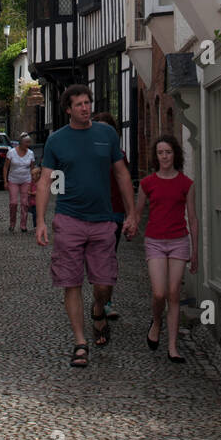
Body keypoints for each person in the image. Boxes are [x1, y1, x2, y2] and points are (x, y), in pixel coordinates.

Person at [35, 85, 137, 368]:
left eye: (88, 102)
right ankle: (80, 342)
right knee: (71, 282)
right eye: (79, 104)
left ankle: (98, 307)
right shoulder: (57, 141)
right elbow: (45, 181)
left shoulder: (107, 135)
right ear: (68, 109)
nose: (85, 107)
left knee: (104, 283)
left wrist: (131, 214)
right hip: (68, 220)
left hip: (103, 220)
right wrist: (41, 221)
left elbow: (121, 174)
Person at [136, 135, 198, 364]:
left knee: (174, 293)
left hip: (179, 241)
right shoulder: (147, 183)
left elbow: (193, 218)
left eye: (168, 152)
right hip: (154, 240)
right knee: (159, 293)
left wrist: (195, 251)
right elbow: (138, 211)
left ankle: (173, 346)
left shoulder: (186, 184)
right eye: (161, 153)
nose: (164, 156)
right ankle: (156, 321)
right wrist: (131, 225)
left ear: (175, 155)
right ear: (156, 156)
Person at [91, 111, 127, 321]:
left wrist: (131, 215)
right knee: (97, 260)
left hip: (114, 213)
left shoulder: (120, 155)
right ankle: (100, 298)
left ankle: (107, 302)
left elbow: (125, 188)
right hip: (92, 214)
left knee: (109, 258)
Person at [3, 133, 34, 233]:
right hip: (13, 180)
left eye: (29, 142)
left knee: (25, 203)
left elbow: (32, 169)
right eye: (26, 142)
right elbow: (6, 167)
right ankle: (12, 223)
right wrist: (5, 181)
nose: (28, 144)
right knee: (13, 203)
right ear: (21, 143)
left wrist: (33, 183)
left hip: (26, 180)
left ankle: (23, 225)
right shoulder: (11, 153)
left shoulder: (31, 153)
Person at [27, 165, 41, 231]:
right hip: (32, 202)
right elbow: (28, 189)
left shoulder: (40, 183)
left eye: (33, 175)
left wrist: (31, 193)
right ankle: (35, 226)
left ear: (38, 175)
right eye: (31, 175)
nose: (32, 177)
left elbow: (37, 192)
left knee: (38, 215)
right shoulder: (32, 182)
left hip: (38, 203)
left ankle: (38, 226)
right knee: (34, 215)